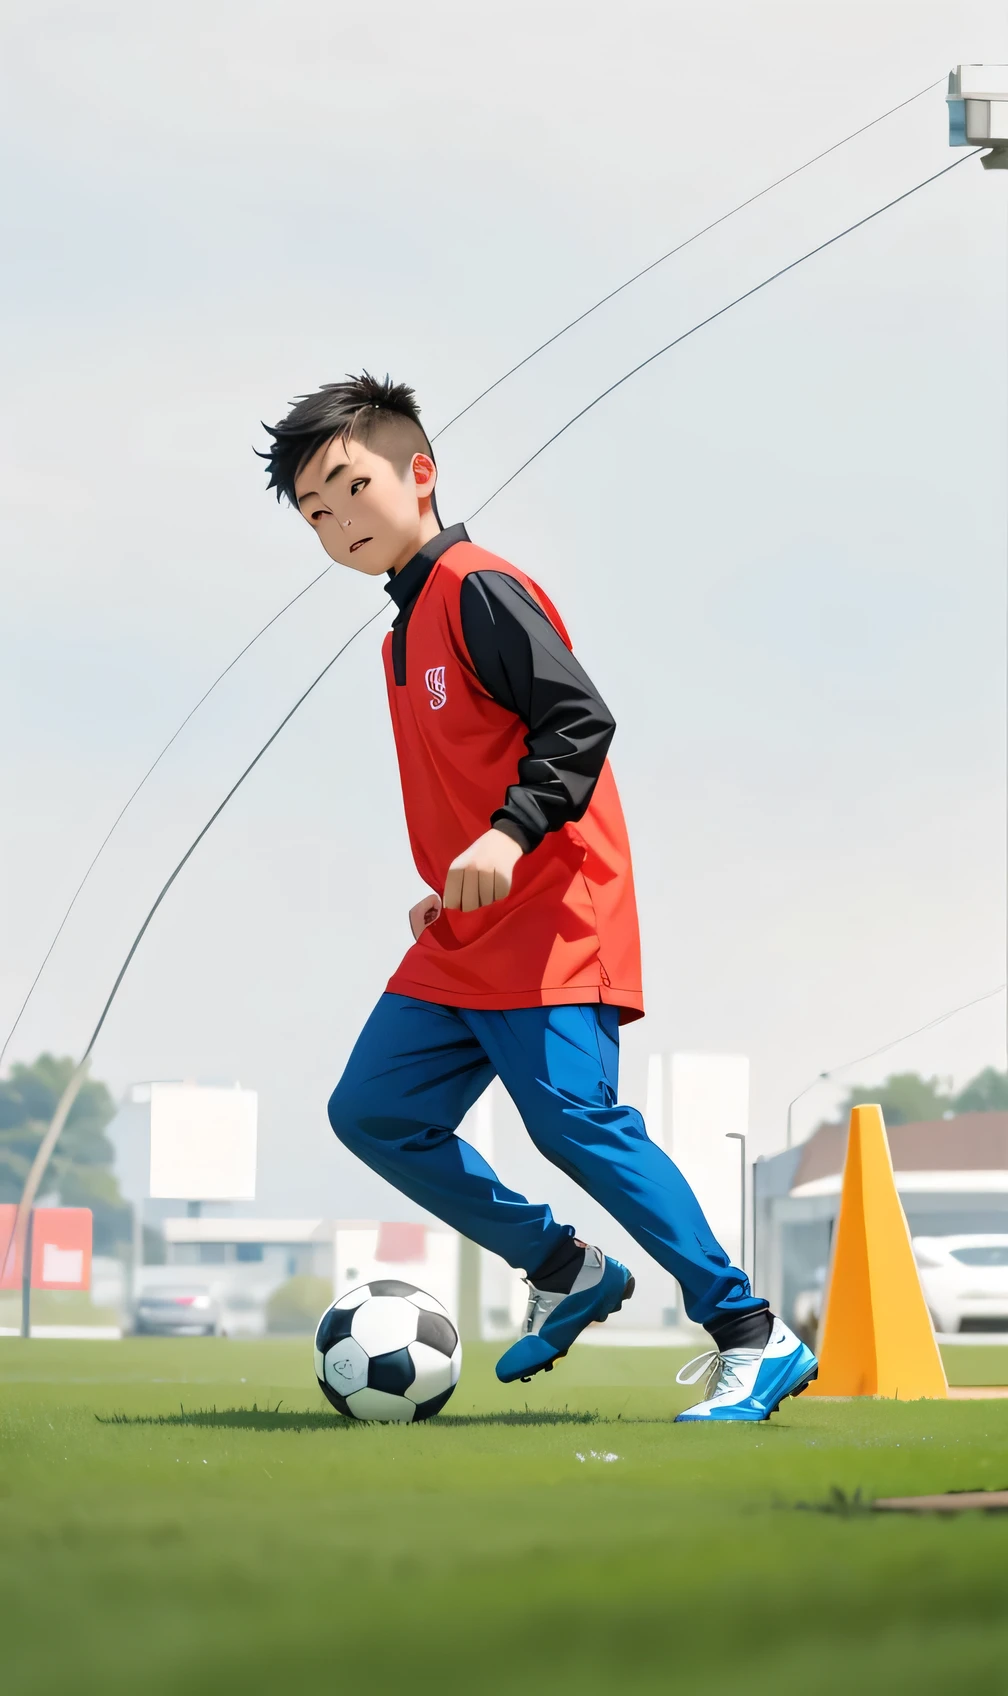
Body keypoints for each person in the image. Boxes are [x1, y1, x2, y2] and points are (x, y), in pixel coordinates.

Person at [259, 372, 817, 1420]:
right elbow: (469, 765)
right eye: (315, 513)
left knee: (575, 1122)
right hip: (468, 930)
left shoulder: (477, 585)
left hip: (557, 915)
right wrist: (449, 882)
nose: (336, 522)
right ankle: (564, 1266)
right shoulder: (398, 632)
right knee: (373, 1110)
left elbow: (581, 723)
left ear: (419, 473)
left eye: (350, 486)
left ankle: (753, 1331)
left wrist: (510, 838)